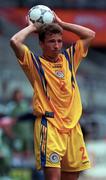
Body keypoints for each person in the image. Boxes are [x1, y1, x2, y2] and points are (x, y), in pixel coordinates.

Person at [10, 11, 95, 180]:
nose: (57, 45)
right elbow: (15, 41)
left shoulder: (69, 58)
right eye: (51, 41)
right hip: (49, 127)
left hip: (73, 128)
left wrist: (62, 24)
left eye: (59, 41)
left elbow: (89, 35)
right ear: (41, 43)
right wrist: (33, 27)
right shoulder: (34, 64)